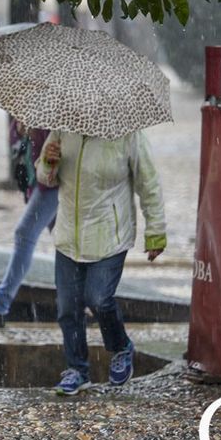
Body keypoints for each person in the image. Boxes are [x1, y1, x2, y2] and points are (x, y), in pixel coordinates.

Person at [36, 130, 166, 396]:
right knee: (67, 308)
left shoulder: (128, 135)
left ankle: (121, 347)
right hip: (69, 237)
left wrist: (155, 230)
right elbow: (45, 177)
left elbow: (148, 183)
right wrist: (48, 163)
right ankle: (77, 370)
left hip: (110, 235)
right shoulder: (62, 129)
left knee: (98, 298)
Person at [0, 120, 56, 327]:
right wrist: (22, 129)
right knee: (65, 242)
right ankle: (83, 303)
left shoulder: (58, 104)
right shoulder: (35, 99)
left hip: (53, 182)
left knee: (25, 234)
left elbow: (59, 145)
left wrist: (39, 134)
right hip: (40, 179)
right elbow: (17, 139)